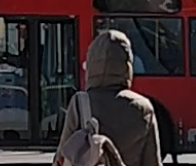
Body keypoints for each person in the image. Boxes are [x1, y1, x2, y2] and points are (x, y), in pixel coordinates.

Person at [55, 29, 161, 166]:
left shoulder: (81, 102)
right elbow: (152, 162)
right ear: (127, 65)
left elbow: (63, 155)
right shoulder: (144, 107)